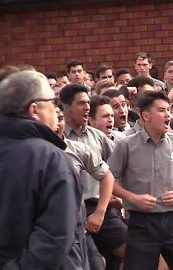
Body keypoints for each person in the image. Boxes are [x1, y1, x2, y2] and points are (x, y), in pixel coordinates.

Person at [107, 91, 173, 270]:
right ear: (146, 116)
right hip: (141, 224)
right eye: (162, 110)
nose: (168, 115)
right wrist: (132, 198)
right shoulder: (126, 145)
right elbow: (109, 180)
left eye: (169, 110)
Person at [0, 70, 84, 269]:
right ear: (34, 110)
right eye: (53, 101)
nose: (57, 109)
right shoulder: (50, 158)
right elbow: (56, 235)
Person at [60, 83, 127, 268]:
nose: (87, 107)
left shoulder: (97, 137)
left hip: (101, 208)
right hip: (73, 213)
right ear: (66, 107)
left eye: (88, 102)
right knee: (96, 264)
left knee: (137, 255)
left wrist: (115, 199)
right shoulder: (57, 137)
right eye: (81, 103)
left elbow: (114, 171)